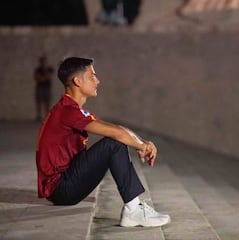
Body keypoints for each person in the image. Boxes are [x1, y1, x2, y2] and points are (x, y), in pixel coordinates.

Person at [36, 57, 170, 227]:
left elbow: (114, 127)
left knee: (115, 140)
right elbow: (115, 134)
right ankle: (133, 210)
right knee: (113, 144)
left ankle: (135, 208)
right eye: (92, 76)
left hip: (66, 182)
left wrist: (143, 141)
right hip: (61, 189)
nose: (97, 80)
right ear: (77, 81)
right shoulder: (67, 112)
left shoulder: (72, 109)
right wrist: (142, 146)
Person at [34, 55, 54, 121]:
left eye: (45, 61)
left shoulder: (50, 69)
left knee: (47, 103)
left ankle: (47, 117)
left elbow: (48, 77)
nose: (44, 63)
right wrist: (44, 78)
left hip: (47, 88)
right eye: (42, 61)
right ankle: (39, 116)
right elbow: (37, 78)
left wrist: (45, 71)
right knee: (39, 102)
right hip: (39, 88)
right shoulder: (38, 69)